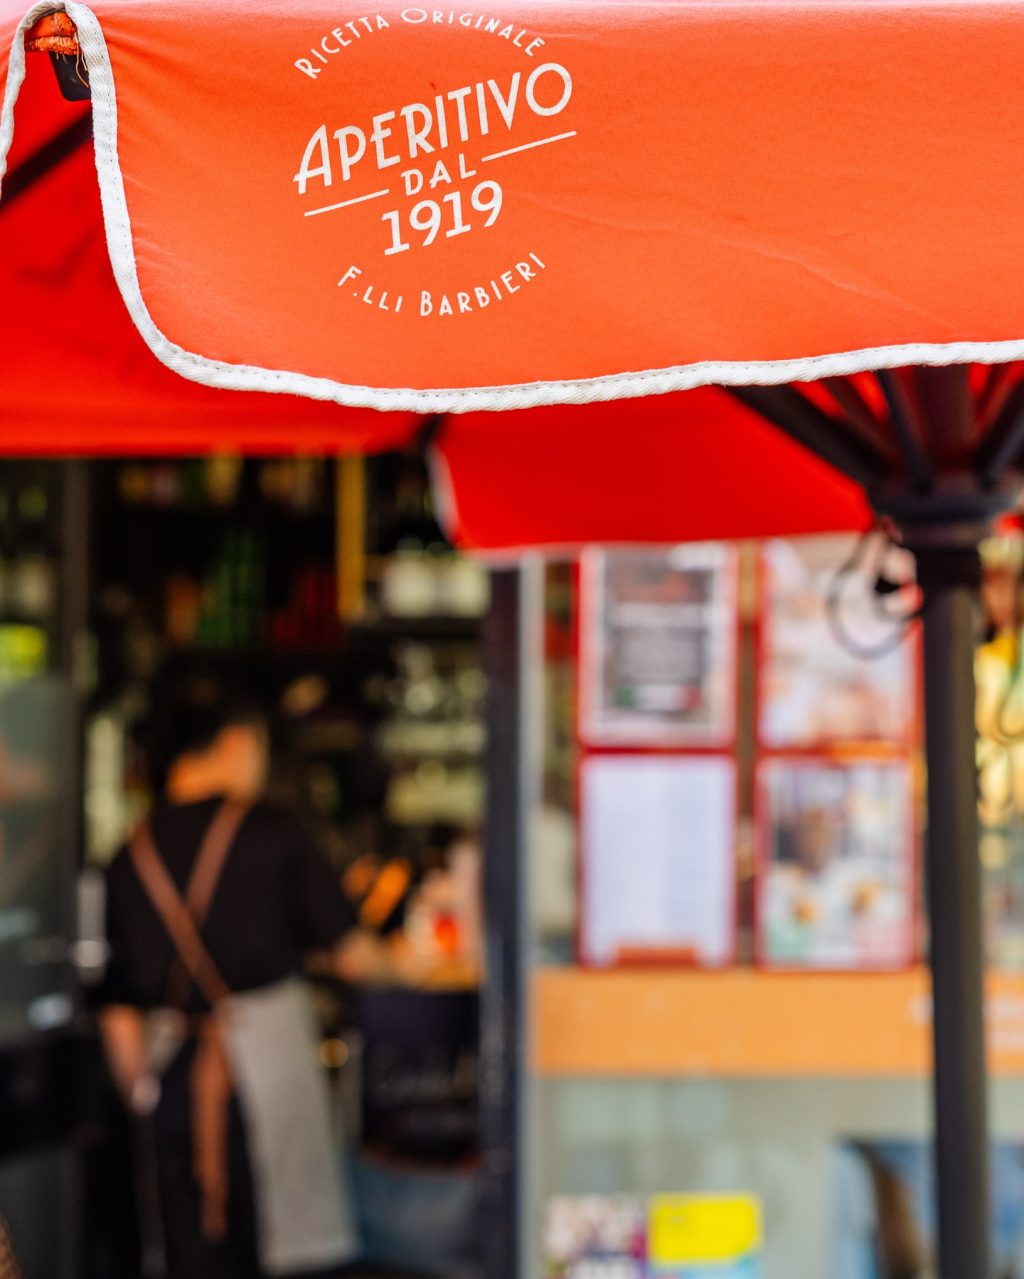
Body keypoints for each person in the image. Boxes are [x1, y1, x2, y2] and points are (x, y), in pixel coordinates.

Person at [98, 680, 395, 1279]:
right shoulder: (275, 833)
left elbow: (118, 1004)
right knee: (285, 1246)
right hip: (267, 1069)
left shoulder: (129, 853)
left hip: (171, 1075)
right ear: (234, 744)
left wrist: (143, 1095)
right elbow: (354, 957)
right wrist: (411, 964)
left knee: (190, 1251)